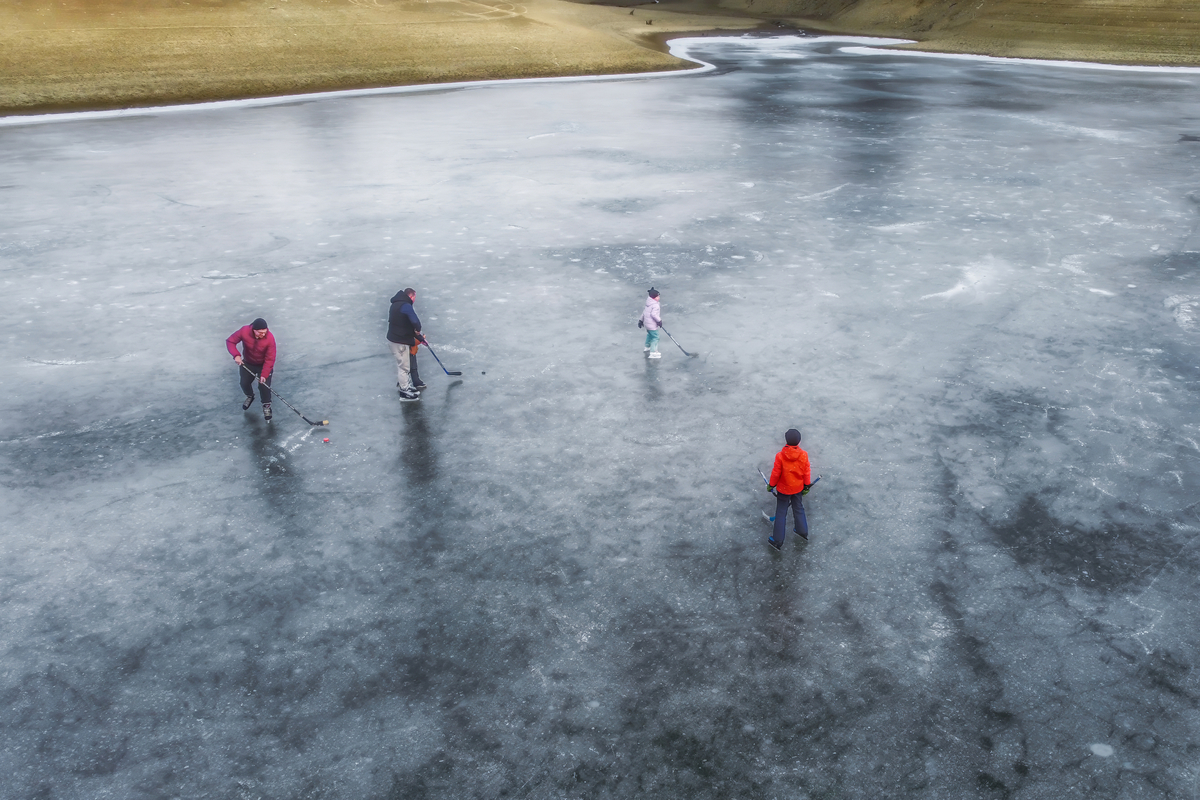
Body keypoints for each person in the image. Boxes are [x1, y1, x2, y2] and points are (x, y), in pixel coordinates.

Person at [766, 428, 813, 550]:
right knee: (799, 508)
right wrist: (806, 485)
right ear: (799, 441)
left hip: (784, 489)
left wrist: (771, 485)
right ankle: (802, 531)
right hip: (798, 488)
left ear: (786, 440)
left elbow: (776, 473)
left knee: (781, 513)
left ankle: (777, 540)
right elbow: (806, 472)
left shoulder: (780, 456)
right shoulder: (803, 455)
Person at [226, 317, 276, 421]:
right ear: (254, 330)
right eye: (260, 332)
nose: (263, 334)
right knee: (244, 383)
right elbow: (230, 341)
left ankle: (266, 406)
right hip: (248, 363)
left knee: (264, 387)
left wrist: (264, 374)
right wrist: (236, 355)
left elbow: (270, 359)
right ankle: (250, 396)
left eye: (264, 332)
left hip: (263, 365)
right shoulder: (244, 331)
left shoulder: (270, 339)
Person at [387, 288, 425, 401]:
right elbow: (415, 321)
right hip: (400, 342)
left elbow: (404, 324)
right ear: (411, 296)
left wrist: (418, 337)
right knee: (404, 367)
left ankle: (406, 386)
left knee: (403, 366)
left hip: (394, 340)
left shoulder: (395, 304)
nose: (414, 300)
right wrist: (418, 330)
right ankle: (404, 392)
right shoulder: (406, 305)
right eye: (414, 297)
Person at [639, 287, 662, 358]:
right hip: (652, 325)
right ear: (654, 297)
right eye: (658, 296)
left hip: (647, 324)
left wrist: (641, 320)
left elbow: (644, 313)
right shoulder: (655, 305)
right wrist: (659, 321)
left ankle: (647, 347)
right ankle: (653, 352)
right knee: (656, 337)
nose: (659, 297)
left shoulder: (648, 303)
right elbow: (653, 314)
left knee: (649, 335)